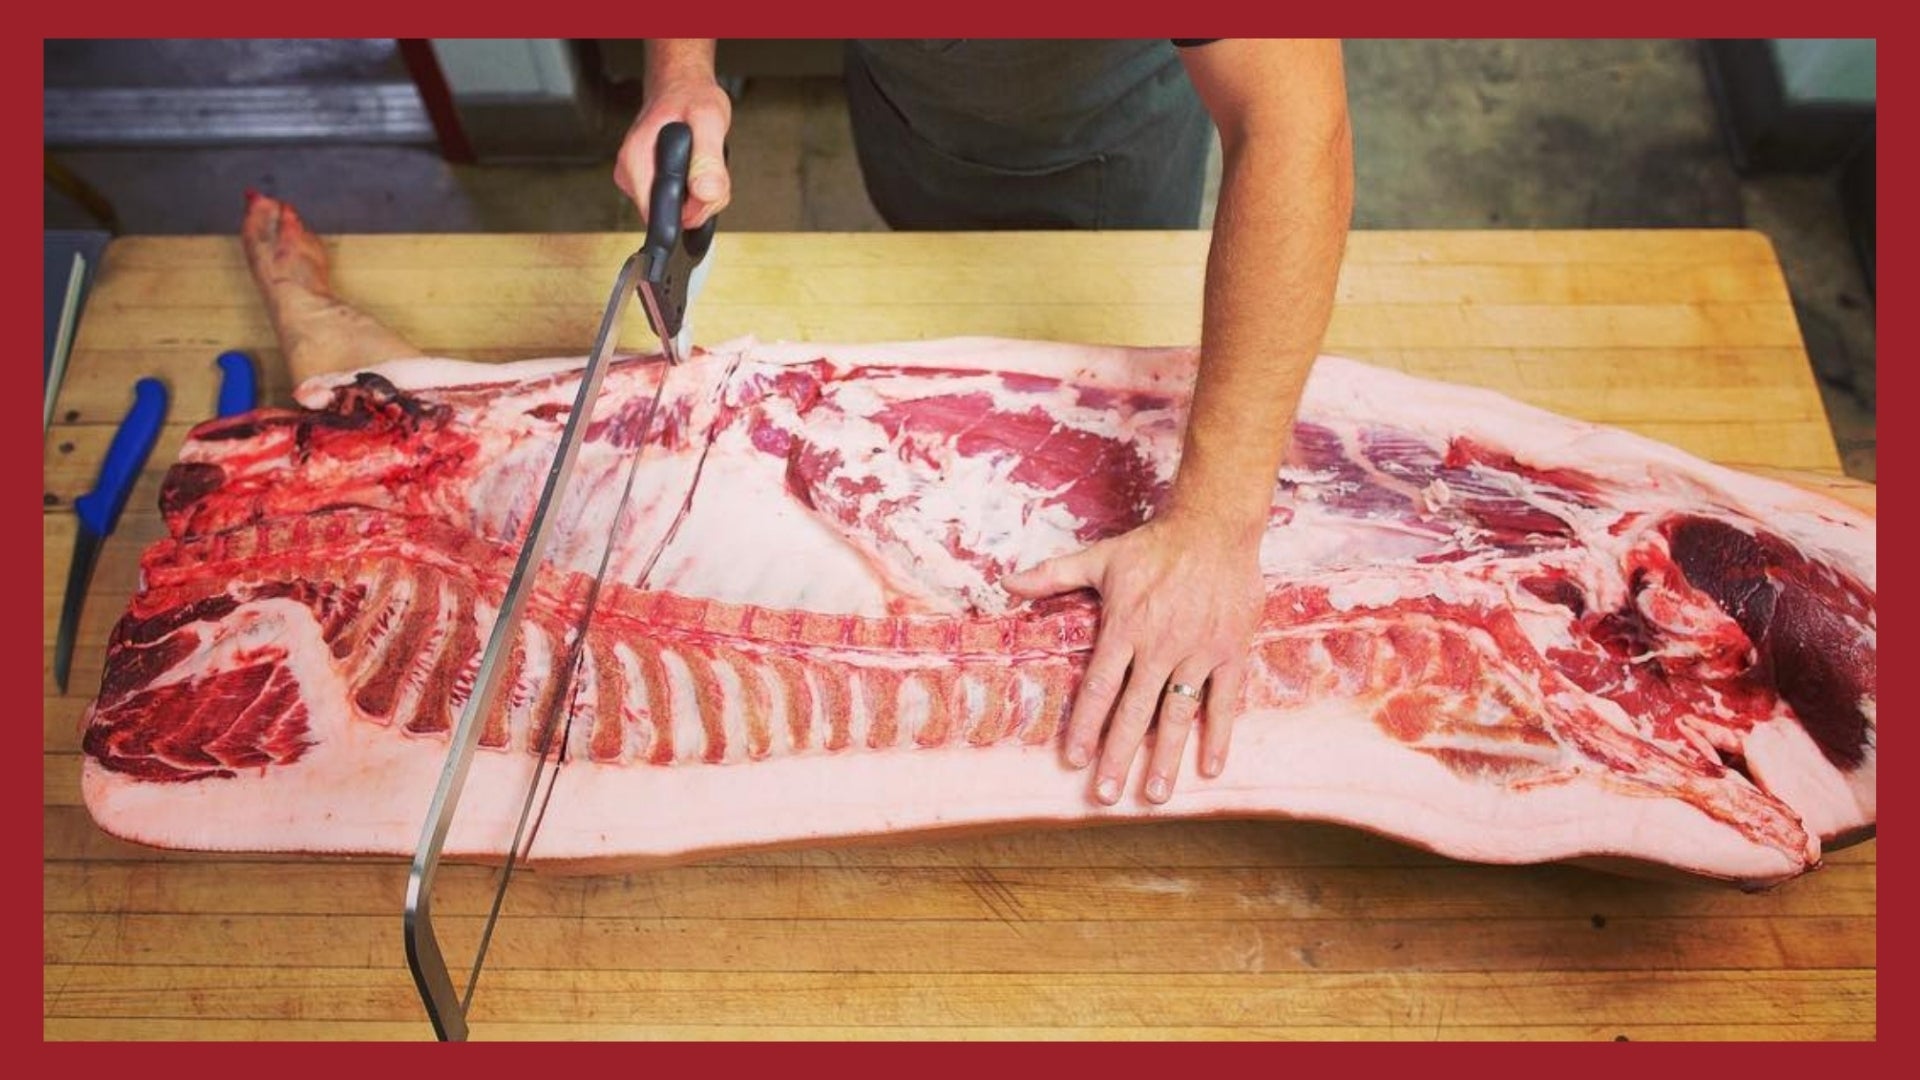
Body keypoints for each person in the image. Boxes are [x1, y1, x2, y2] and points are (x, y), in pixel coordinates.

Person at [617, 39, 1353, 808]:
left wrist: (1215, 526)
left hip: (1096, 138)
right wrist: (681, 72)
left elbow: (1293, 126)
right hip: (907, 109)